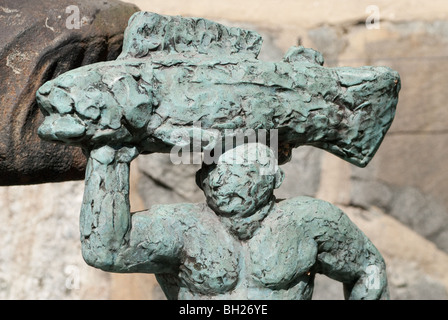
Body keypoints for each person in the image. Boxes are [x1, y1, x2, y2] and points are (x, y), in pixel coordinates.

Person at [80, 142, 389, 300]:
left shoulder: (308, 221)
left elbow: (368, 269)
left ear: (274, 178)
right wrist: (110, 157)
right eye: (215, 173)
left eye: (241, 172)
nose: (223, 183)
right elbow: (106, 250)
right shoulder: (182, 227)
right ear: (201, 180)